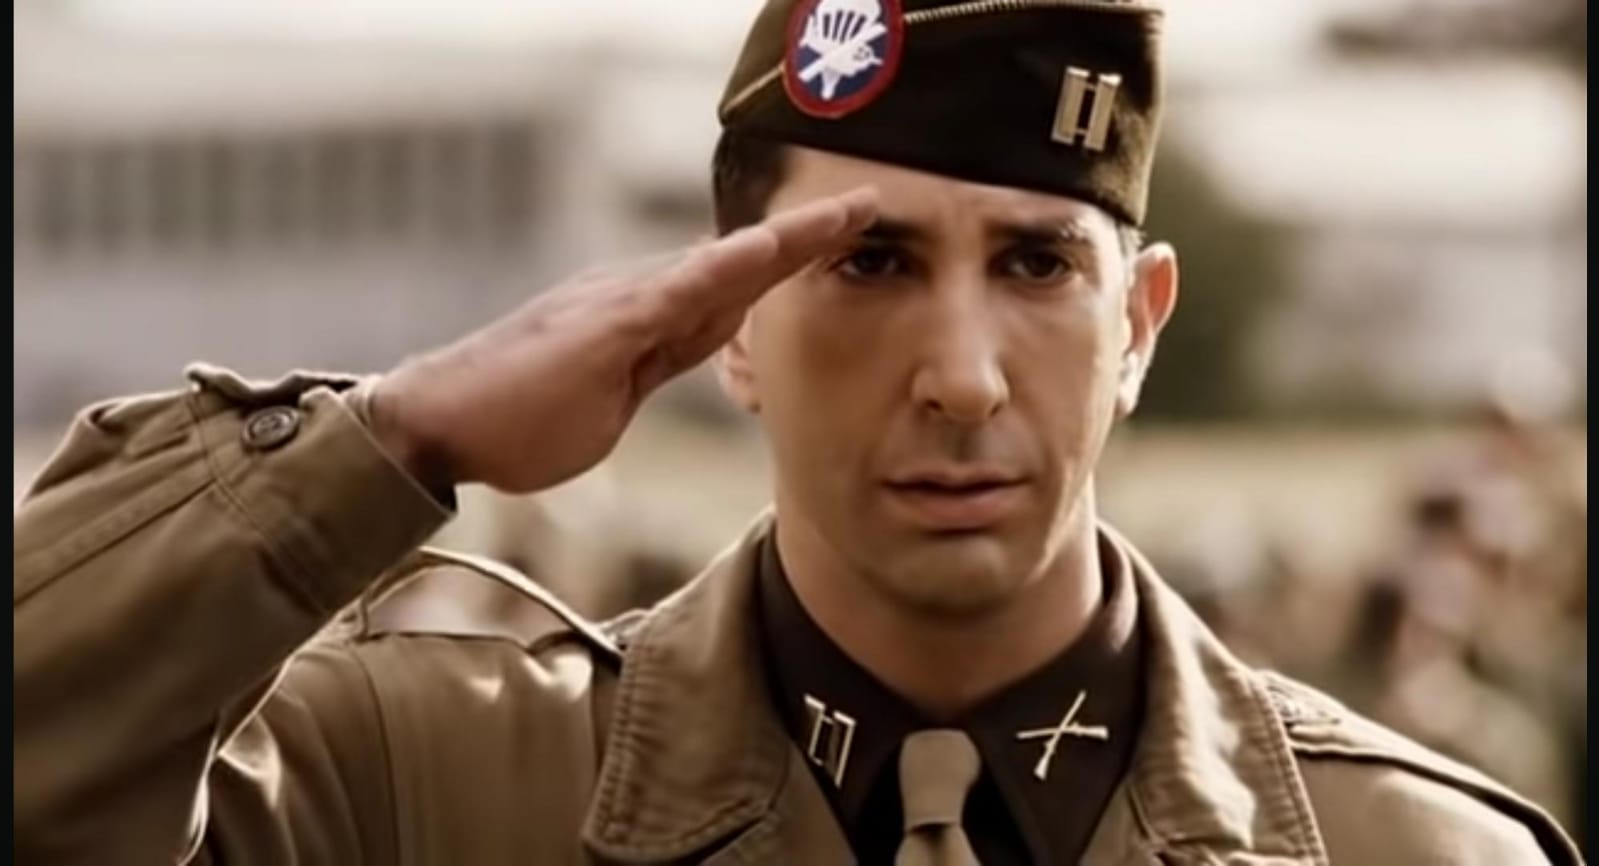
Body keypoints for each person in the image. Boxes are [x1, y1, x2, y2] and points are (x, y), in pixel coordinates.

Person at [14, 1, 1581, 863]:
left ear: (1141, 328)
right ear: (730, 325)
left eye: (1038, 265)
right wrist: (393, 435)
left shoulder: (1411, 855)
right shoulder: (422, 790)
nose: (962, 377)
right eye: (869, 263)